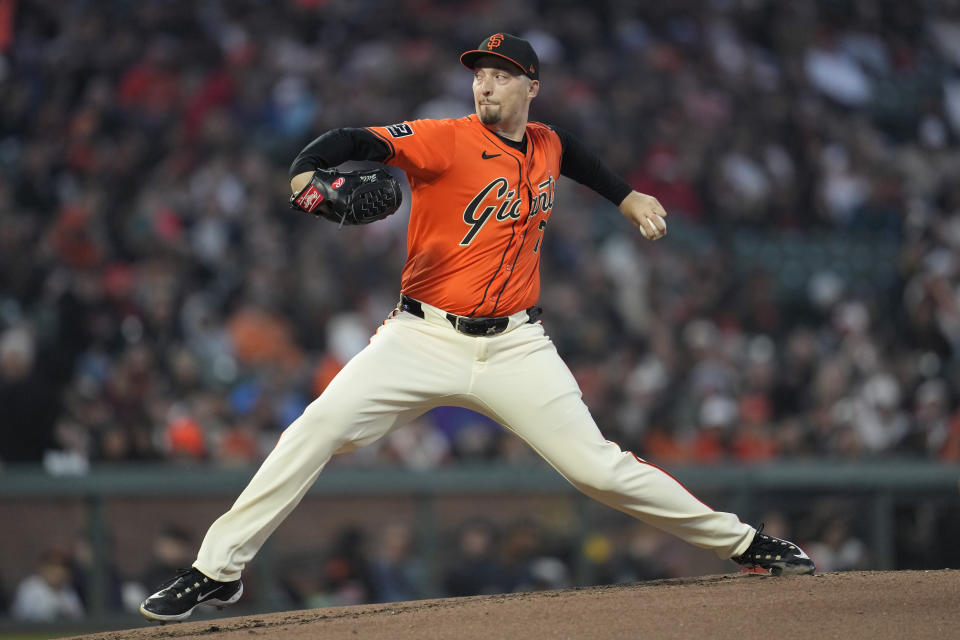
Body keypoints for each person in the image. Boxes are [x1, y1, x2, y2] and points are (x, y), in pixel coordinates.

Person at [140, 33, 814, 622]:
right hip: (419, 338)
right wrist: (304, 179)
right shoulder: (444, 139)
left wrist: (627, 195)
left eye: (499, 73)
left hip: (518, 345)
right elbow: (354, 140)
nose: (485, 82)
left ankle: (745, 543)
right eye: (479, 72)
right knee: (313, 430)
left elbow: (572, 153)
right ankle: (216, 570)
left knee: (599, 471)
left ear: (531, 86)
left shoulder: (545, 142)